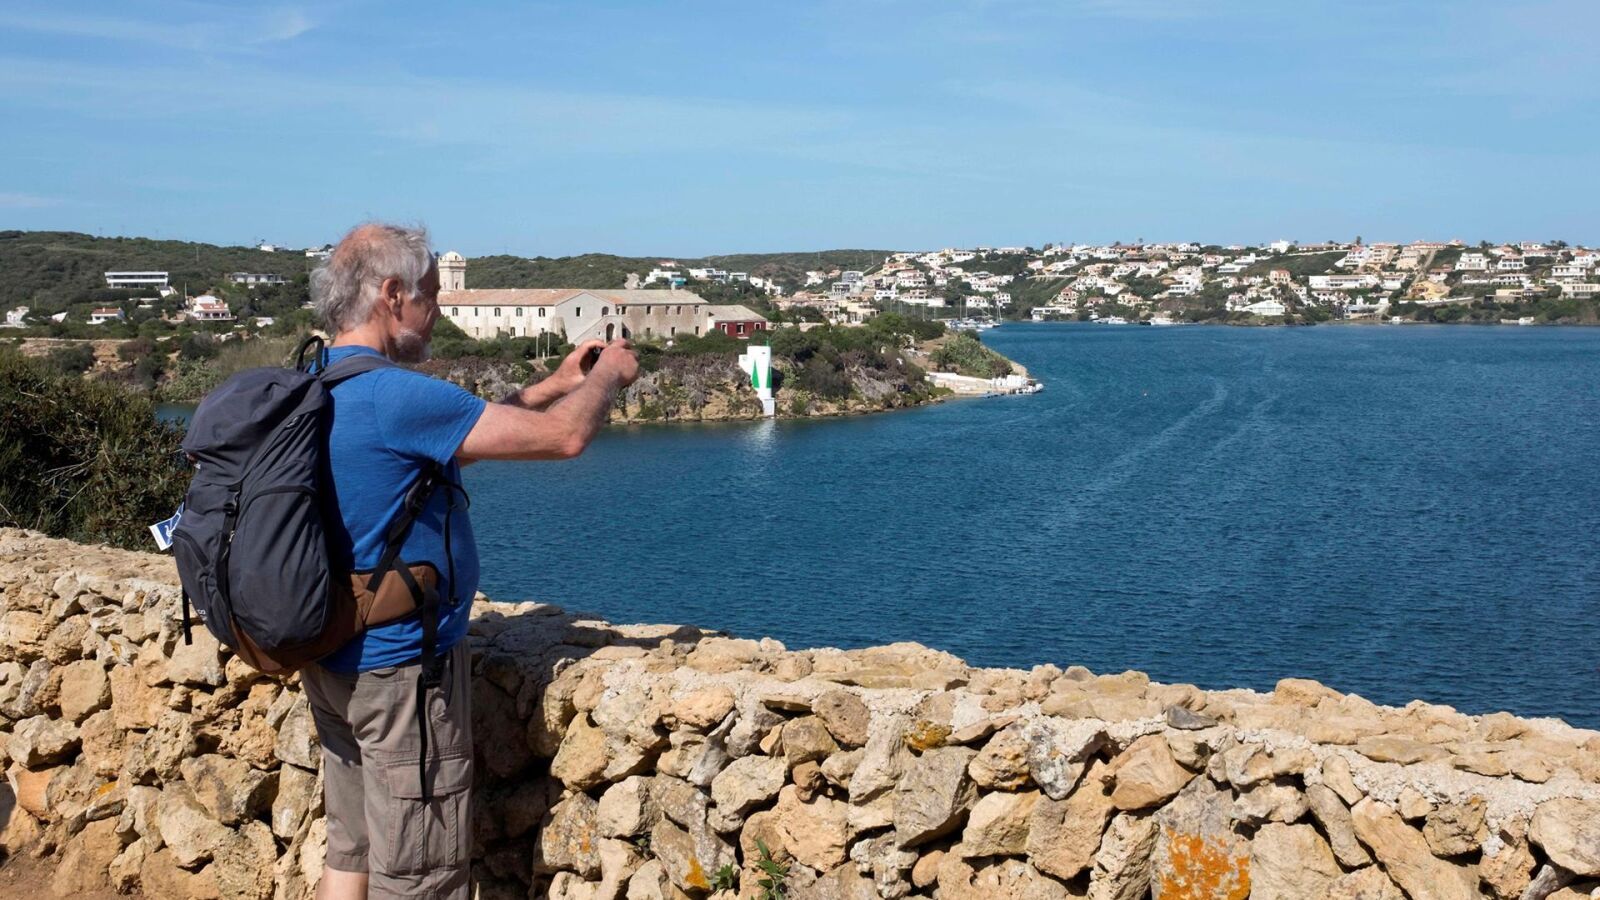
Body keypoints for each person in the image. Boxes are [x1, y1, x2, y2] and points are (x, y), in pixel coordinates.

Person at [299, 222, 637, 899]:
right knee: (421, 873)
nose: (436, 310)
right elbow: (567, 439)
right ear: (391, 294)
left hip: (329, 651)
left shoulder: (314, 382)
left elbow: (460, 443)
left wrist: (553, 382)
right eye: (428, 296)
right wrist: (609, 380)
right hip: (398, 672)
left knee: (352, 847)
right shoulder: (397, 394)